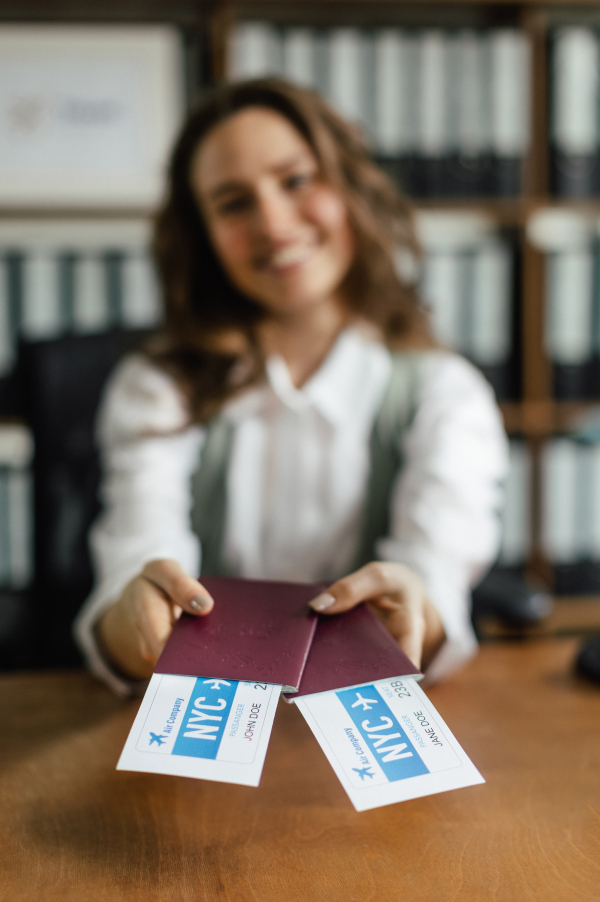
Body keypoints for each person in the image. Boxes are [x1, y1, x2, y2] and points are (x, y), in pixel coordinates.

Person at [74, 79, 508, 696]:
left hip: (361, 712)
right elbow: (129, 572)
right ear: (202, 237)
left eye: (297, 180)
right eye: (232, 203)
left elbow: (435, 585)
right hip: (204, 721)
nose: (274, 225)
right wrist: (132, 623)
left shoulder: (445, 394)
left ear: (351, 188)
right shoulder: (158, 387)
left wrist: (419, 611)